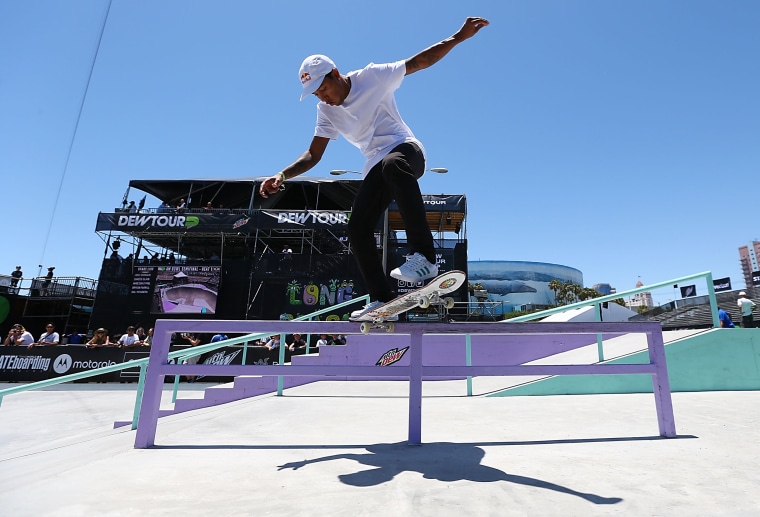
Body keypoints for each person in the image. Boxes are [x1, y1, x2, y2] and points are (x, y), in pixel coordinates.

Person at [259, 17, 490, 321]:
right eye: (317, 94)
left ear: (336, 74)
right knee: (357, 227)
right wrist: (282, 174)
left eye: (324, 89)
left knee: (393, 164)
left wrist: (458, 37)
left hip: (407, 152)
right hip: (375, 166)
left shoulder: (372, 77)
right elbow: (313, 154)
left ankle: (425, 257)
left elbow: (419, 61)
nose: (324, 97)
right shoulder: (325, 111)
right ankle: (382, 300)